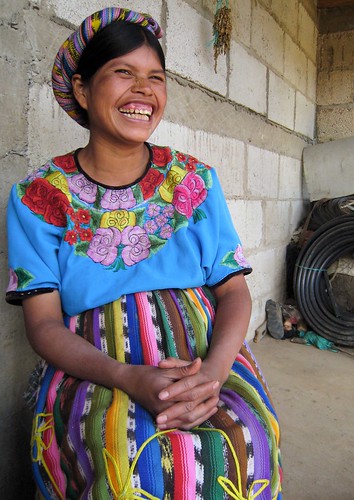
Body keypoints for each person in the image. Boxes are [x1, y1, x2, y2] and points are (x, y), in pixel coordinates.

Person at [6, 7, 282, 499]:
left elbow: (234, 290)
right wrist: (126, 377)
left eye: (156, 77)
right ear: (84, 90)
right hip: (96, 362)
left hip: (205, 356)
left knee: (242, 444)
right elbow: (43, 324)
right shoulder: (39, 194)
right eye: (123, 73)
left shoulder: (193, 181)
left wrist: (215, 375)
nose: (144, 90)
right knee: (130, 463)